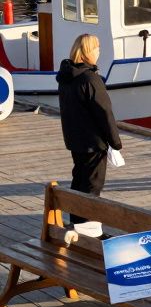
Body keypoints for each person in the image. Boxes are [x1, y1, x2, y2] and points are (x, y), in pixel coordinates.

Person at [57, 34, 121, 229]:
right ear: (87, 52)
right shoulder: (90, 78)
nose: (99, 51)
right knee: (92, 186)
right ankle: (87, 229)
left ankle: (76, 223)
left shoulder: (66, 77)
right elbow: (104, 112)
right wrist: (115, 142)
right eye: (97, 47)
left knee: (79, 181)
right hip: (94, 142)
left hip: (75, 139)